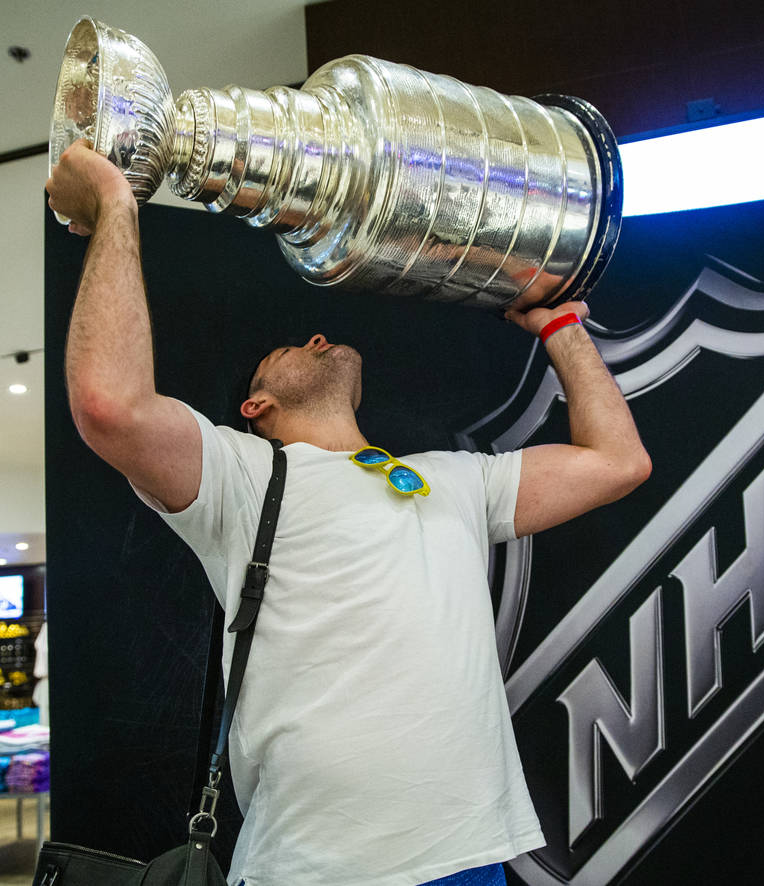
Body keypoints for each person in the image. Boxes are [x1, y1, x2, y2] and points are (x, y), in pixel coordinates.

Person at [46, 140, 651, 886]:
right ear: (255, 404)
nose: (319, 336)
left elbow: (618, 463)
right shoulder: (242, 473)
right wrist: (115, 203)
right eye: (294, 346)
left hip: (468, 860)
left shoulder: (454, 481)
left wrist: (562, 328)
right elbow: (111, 406)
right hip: (314, 872)